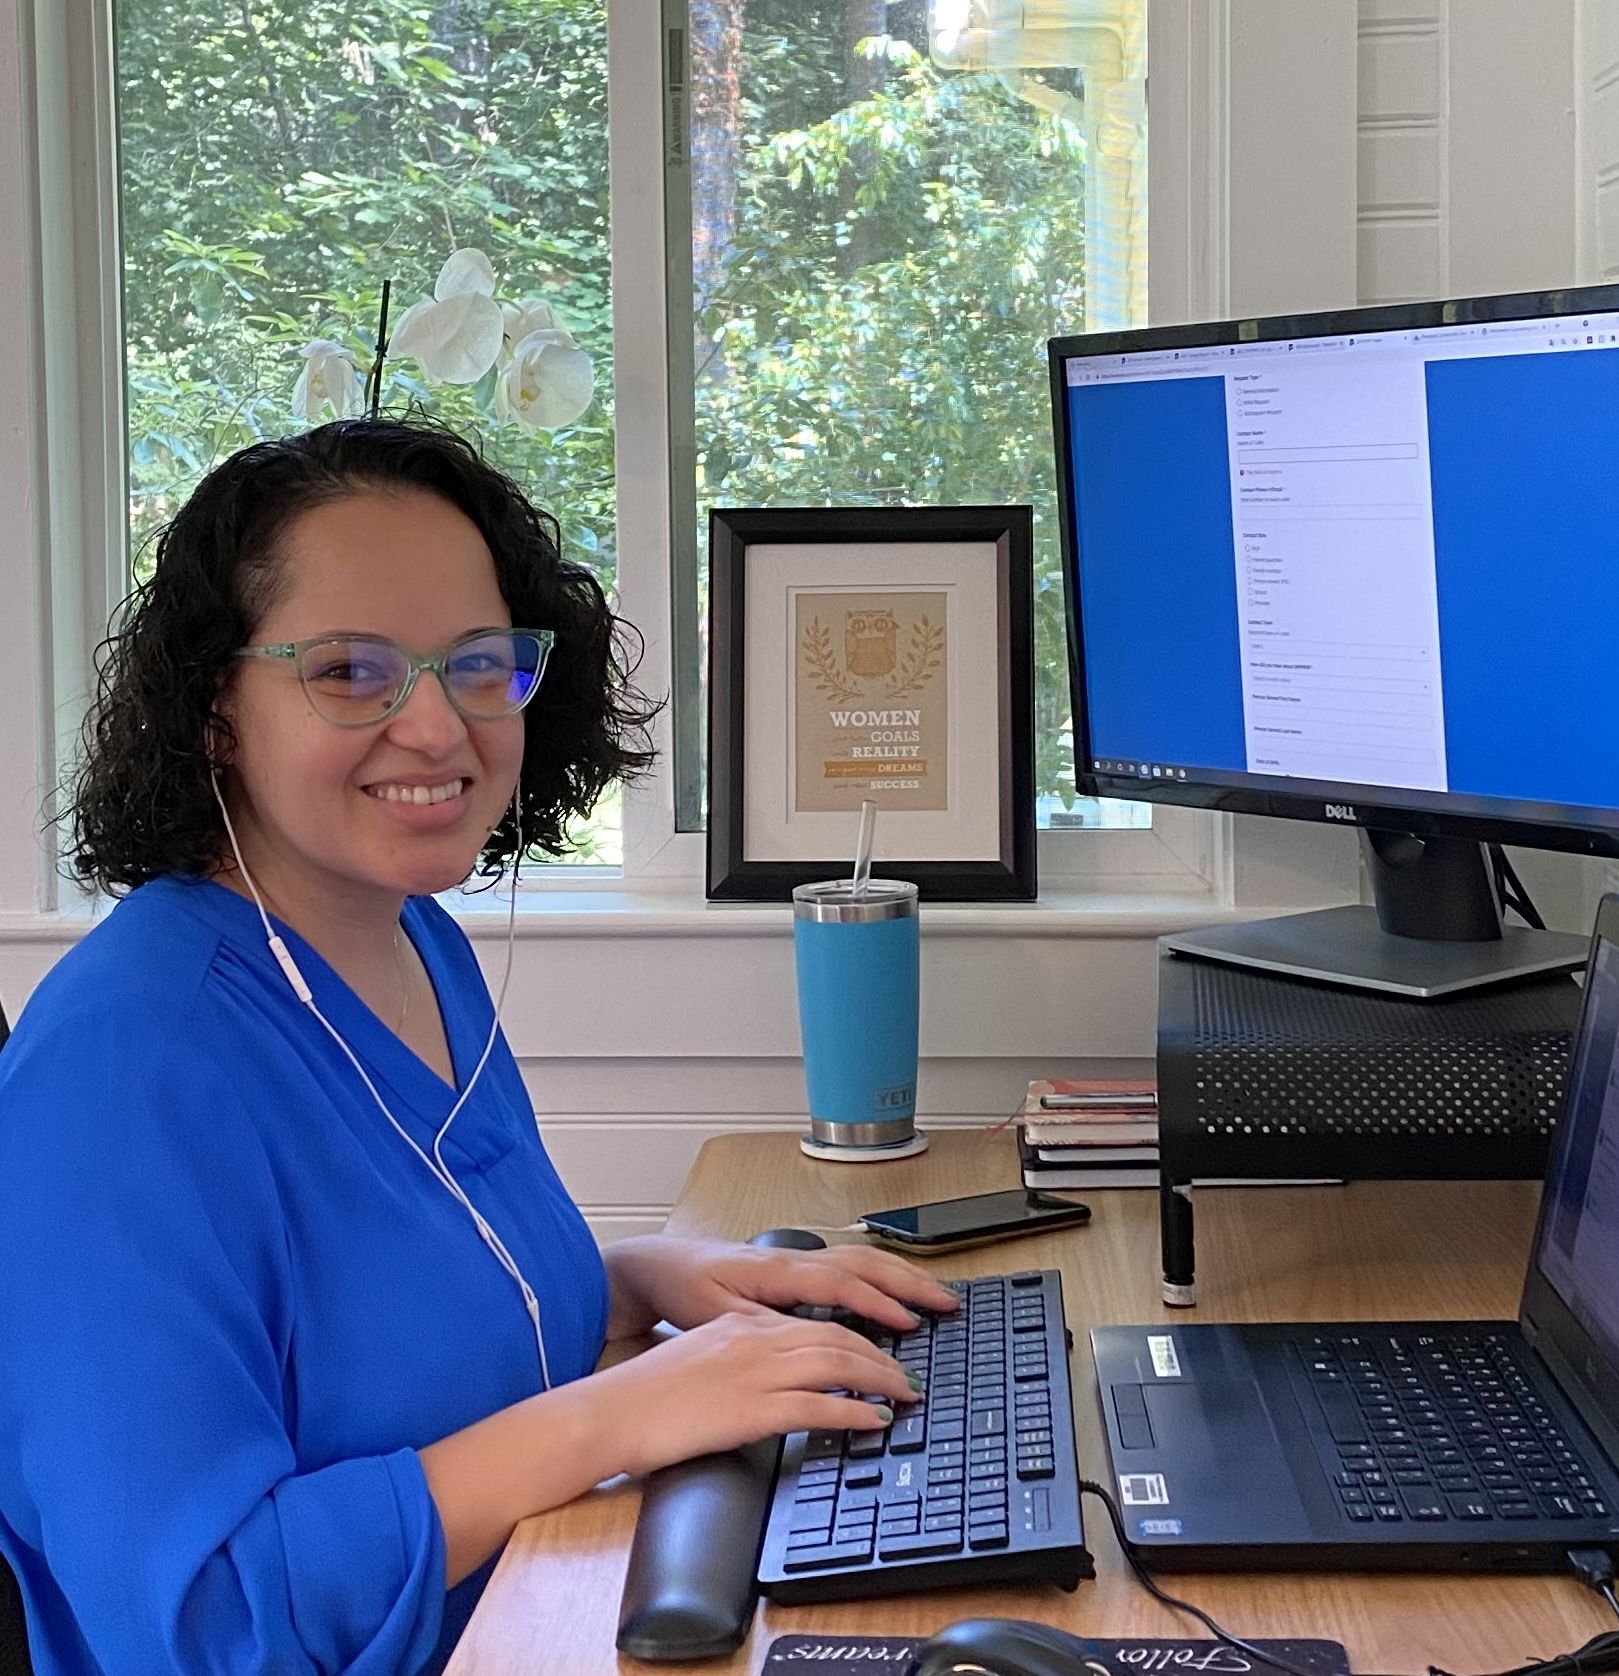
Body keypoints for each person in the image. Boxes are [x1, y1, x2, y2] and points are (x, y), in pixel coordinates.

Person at [0, 418, 954, 1676]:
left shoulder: (415, 942)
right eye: (349, 670)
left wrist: (634, 1281)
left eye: (476, 662)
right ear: (217, 706)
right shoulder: (123, 1068)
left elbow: (399, 1319)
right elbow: (204, 1625)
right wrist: (629, 1404)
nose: (439, 728)